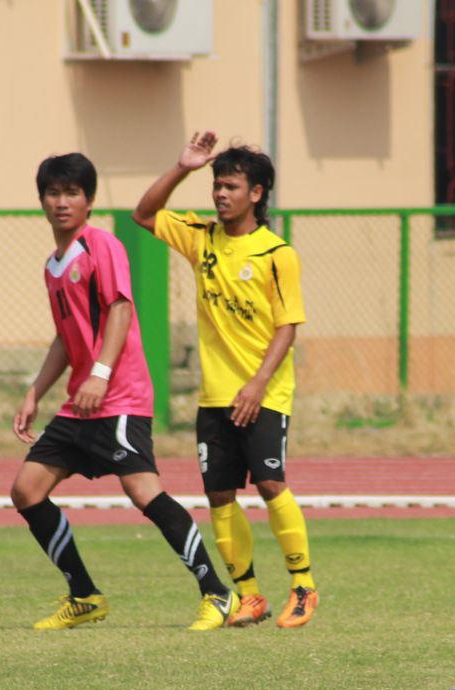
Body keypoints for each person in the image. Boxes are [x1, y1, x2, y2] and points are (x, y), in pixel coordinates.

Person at [13, 152, 238, 631]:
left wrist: (100, 373)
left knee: (143, 492)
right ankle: (84, 596)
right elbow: (65, 336)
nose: (61, 202)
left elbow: (120, 308)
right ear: (42, 200)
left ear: (89, 200)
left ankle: (218, 594)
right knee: (26, 491)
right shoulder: (53, 266)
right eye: (53, 193)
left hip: (119, 396)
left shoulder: (102, 245)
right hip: (80, 403)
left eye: (72, 193)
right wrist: (35, 392)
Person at [133, 132, 318, 629]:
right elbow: (144, 214)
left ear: (256, 193)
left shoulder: (277, 253)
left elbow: (287, 326)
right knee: (219, 496)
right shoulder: (201, 237)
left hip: (265, 392)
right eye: (217, 185)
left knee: (270, 483)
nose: (220, 193)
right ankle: (250, 595)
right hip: (215, 395)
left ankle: (303, 585)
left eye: (231, 186)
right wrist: (183, 167)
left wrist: (257, 384)